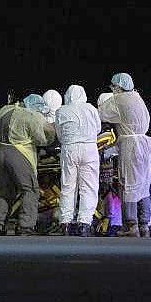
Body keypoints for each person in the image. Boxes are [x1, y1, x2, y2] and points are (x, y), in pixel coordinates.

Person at [98, 73, 151, 238]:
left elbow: (100, 114)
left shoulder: (119, 100)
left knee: (128, 184)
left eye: (113, 87)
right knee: (143, 185)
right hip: (144, 145)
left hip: (131, 146)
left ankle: (131, 225)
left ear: (118, 87)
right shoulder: (137, 97)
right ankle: (144, 224)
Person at [0, 94, 55, 236]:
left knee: (6, 192)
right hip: (19, 154)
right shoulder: (30, 116)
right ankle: (26, 226)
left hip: (1, 153)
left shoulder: (4, 110)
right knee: (30, 189)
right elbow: (43, 139)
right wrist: (52, 136)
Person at [50, 85, 101, 237]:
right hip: (89, 149)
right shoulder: (91, 108)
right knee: (88, 187)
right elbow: (97, 128)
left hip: (69, 149)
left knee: (68, 186)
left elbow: (58, 133)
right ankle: (84, 223)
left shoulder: (61, 111)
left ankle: (65, 222)